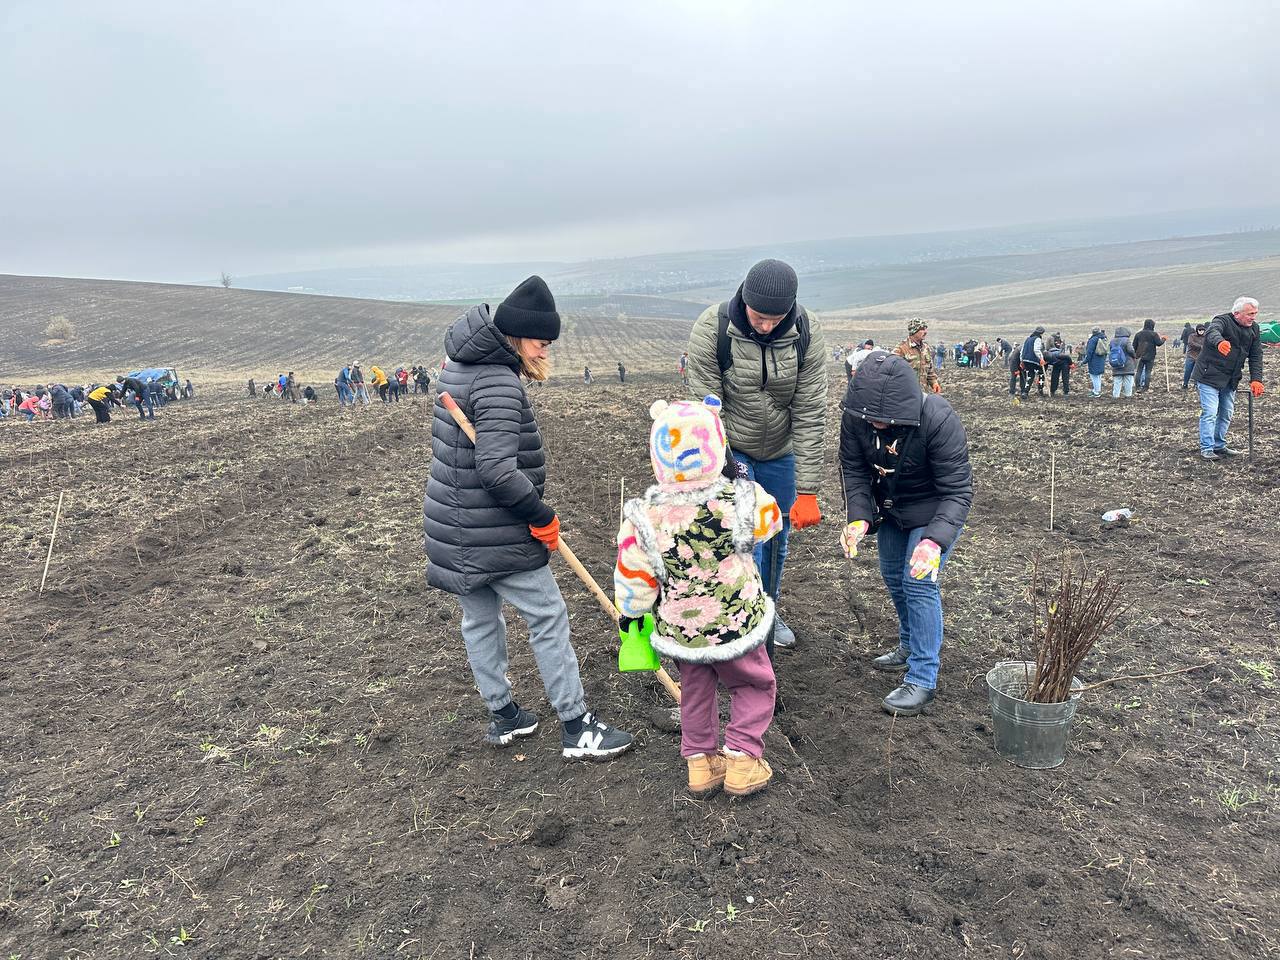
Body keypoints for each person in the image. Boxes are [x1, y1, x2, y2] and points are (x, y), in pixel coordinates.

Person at [424, 275, 634, 760]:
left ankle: (503, 717)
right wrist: (540, 514)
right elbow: (497, 470)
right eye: (542, 339)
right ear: (517, 334)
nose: (546, 348)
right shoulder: (498, 382)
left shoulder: (461, 366)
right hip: (493, 529)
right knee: (548, 614)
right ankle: (576, 725)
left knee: (479, 619)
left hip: (453, 526)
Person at [614, 395, 783, 796]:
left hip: (681, 628)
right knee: (753, 684)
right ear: (716, 445)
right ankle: (742, 759)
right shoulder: (742, 498)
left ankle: (701, 765)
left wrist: (632, 612)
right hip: (736, 618)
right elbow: (771, 522)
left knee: (696, 691)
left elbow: (632, 573)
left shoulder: (643, 515)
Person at [685, 258, 827, 651]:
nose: (766, 325)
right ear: (744, 301)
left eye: (775, 318)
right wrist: (727, 467)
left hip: (781, 451)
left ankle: (768, 606)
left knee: (777, 534)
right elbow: (706, 411)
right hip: (735, 445)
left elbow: (811, 411)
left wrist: (809, 489)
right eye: (759, 317)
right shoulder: (713, 329)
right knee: (746, 535)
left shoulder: (807, 331)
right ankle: (742, 615)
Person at [838, 352, 973, 716]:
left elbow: (958, 491)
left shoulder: (937, 418)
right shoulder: (857, 417)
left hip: (932, 513)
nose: (875, 424)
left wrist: (933, 541)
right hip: (892, 511)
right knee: (892, 577)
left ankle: (923, 677)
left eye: (883, 418)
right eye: (870, 417)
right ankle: (909, 644)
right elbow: (853, 469)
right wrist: (859, 518)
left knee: (917, 581)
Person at [1191, 297, 1265, 460]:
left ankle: (1219, 445)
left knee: (1226, 413)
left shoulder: (1254, 329)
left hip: (1230, 378)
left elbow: (1256, 354)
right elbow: (1212, 332)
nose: (1253, 317)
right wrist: (1219, 342)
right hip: (1208, 375)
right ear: (1237, 313)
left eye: (1255, 314)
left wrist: (1257, 379)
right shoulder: (1222, 320)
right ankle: (1207, 448)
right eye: (1250, 314)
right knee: (1210, 412)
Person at [892, 318, 942, 394]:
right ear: (913, 331)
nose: (925, 332)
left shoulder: (926, 348)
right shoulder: (901, 349)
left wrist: (934, 382)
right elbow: (892, 372)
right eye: (922, 329)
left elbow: (930, 370)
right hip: (906, 395)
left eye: (925, 329)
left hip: (923, 394)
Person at [1132, 319, 1167, 392]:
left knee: (1139, 371)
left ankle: (1137, 386)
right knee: (1148, 372)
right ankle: (1146, 387)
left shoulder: (1138, 334)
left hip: (1139, 355)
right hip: (1150, 356)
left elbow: (1134, 345)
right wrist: (1163, 339)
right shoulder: (1154, 334)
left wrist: (1135, 354)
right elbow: (1159, 343)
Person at [1108, 325, 1138, 398]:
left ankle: (1115, 396)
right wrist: (1135, 356)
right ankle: (1128, 395)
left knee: (1117, 381)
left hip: (1116, 363)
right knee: (1128, 380)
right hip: (1127, 364)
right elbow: (1130, 350)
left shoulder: (1112, 341)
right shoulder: (1126, 340)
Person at [1019, 327, 1046, 398]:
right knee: (1041, 373)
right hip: (1033, 360)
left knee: (1030, 375)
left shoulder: (1028, 338)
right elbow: (1036, 350)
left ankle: (1025, 392)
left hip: (1025, 360)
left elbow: (1022, 350)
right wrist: (1041, 359)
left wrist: (1021, 360)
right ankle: (1040, 390)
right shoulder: (1037, 339)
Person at [1084, 327, 1108, 397]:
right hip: (1101, 360)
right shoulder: (1103, 338)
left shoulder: (1093, 339)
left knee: (1094, 376)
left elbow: (1089, 352)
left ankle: (1096, 392)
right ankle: (1097, 391)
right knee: (1098, 376)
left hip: (1094, 361)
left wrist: (1085, 361)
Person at [1183, 322, 1206, 390]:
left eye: (1202, 330)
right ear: (1197, 330)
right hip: (1191, 356)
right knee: (1188, 371)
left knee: (1197, 372)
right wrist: (1201, 346)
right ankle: (1185, 383)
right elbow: (1191, 343)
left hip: (1199, 357)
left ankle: (1196, 385)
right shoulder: (1192, 336)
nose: (1201, 331)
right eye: (1199, 330)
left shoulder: (1205, 337)